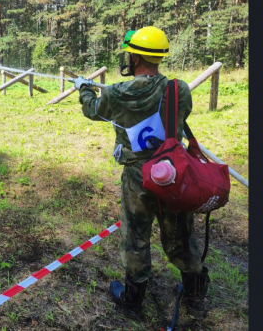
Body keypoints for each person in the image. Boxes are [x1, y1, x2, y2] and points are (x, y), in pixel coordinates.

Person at [74, 26, 209, 318]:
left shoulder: (117, 93)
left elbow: (93, 109)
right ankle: (196, 297)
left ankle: (133, 301)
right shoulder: (179, 89)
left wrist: (83, 87)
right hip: (174, 174)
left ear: (134, 58)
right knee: (182, 235)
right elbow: (181, 115)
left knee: (135, 236)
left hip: (138, 177)